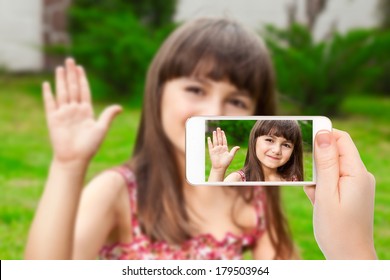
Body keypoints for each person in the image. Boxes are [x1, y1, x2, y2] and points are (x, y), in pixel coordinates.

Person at [24, 17, 377, 260]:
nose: (212, 109)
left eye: (236, 100)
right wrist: (68, 166)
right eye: (195, 88)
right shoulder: (118, 192)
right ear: (158, 93)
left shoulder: (254, 197)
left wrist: (349, 246)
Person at [208, 120, 304, 182]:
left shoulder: (293, 180)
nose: (277, 150)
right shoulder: (237, 180)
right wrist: (218, 170)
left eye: (286, 145)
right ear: (254, 141)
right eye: (269, 140)